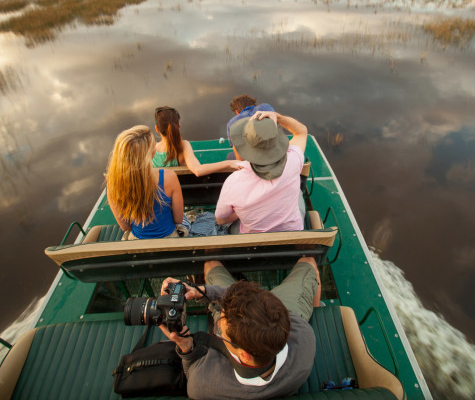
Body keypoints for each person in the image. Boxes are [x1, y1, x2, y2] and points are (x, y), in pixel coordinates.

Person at [158, 257, 321, 399]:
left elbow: (192, 369)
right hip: (281, 311)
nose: (220, 315)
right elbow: (261, 300)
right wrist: (201, 292)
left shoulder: (204, 385)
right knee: (309, 263)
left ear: (244, 355)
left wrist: (186, 348)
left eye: (222, 319)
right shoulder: (303, 336)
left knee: (211, 265)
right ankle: (319, 307)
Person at [215, 111, 307, 233]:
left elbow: (221, 220)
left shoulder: (233, 182)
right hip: (291, 236)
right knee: (298, 193)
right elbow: (301, 132)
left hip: (254, 243)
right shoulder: (293, 160)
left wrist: (241, 212)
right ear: (276, 140)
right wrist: (277, 116)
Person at [106, 125, 186, 239]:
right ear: (149, 154)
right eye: (153, 145)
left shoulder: (112, 183)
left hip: (137, 242)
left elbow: (125, 226)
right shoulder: (169, 176)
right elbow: (178, 219)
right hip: (169, 239)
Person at [154, 106, 239, 176]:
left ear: (157, 129)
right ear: (179, 125)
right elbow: (198, 170)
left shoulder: (150, 148)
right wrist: (229, 163)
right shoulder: (183, 145)